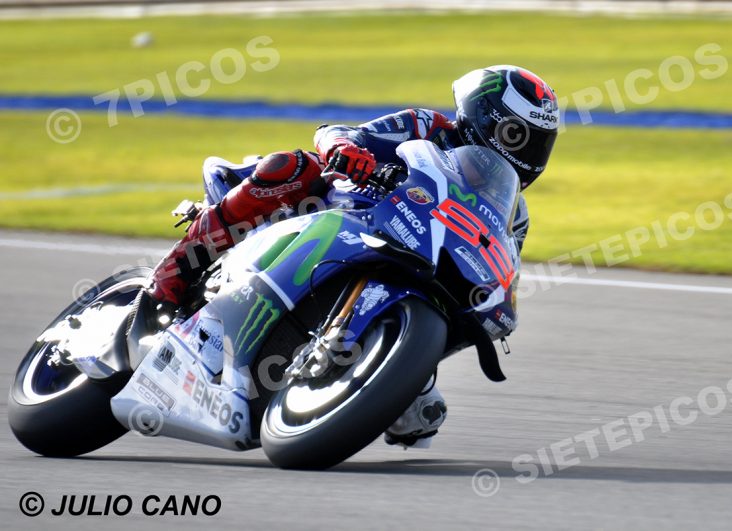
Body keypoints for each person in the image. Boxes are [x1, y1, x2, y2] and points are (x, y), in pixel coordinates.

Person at [142, 65, 559, 448]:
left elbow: (497, 267)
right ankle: (173, 274)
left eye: (540, 144)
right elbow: (335, 132)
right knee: (291, 167)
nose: (528, 153)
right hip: (335, 208)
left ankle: (379, 362)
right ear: (480, 116)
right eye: (515, 135)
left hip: (407, 265)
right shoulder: (426, 126)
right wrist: (347, 149)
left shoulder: (513, 214)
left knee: (422, 417)